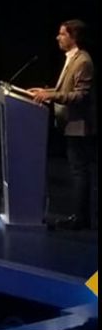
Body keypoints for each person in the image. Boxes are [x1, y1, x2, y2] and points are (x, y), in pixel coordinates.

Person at [30, 20, 95, 230]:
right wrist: (46, 92)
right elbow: (66, 89)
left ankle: (81, 218)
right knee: (77, 169)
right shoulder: (72, 59)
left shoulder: (83, 61)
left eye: (62, 34)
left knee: (79, 171)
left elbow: (81, 95)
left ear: (73, 37)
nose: (58, 37)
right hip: (68, 123)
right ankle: (79, 216)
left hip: (78, 124)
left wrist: (51, 96)